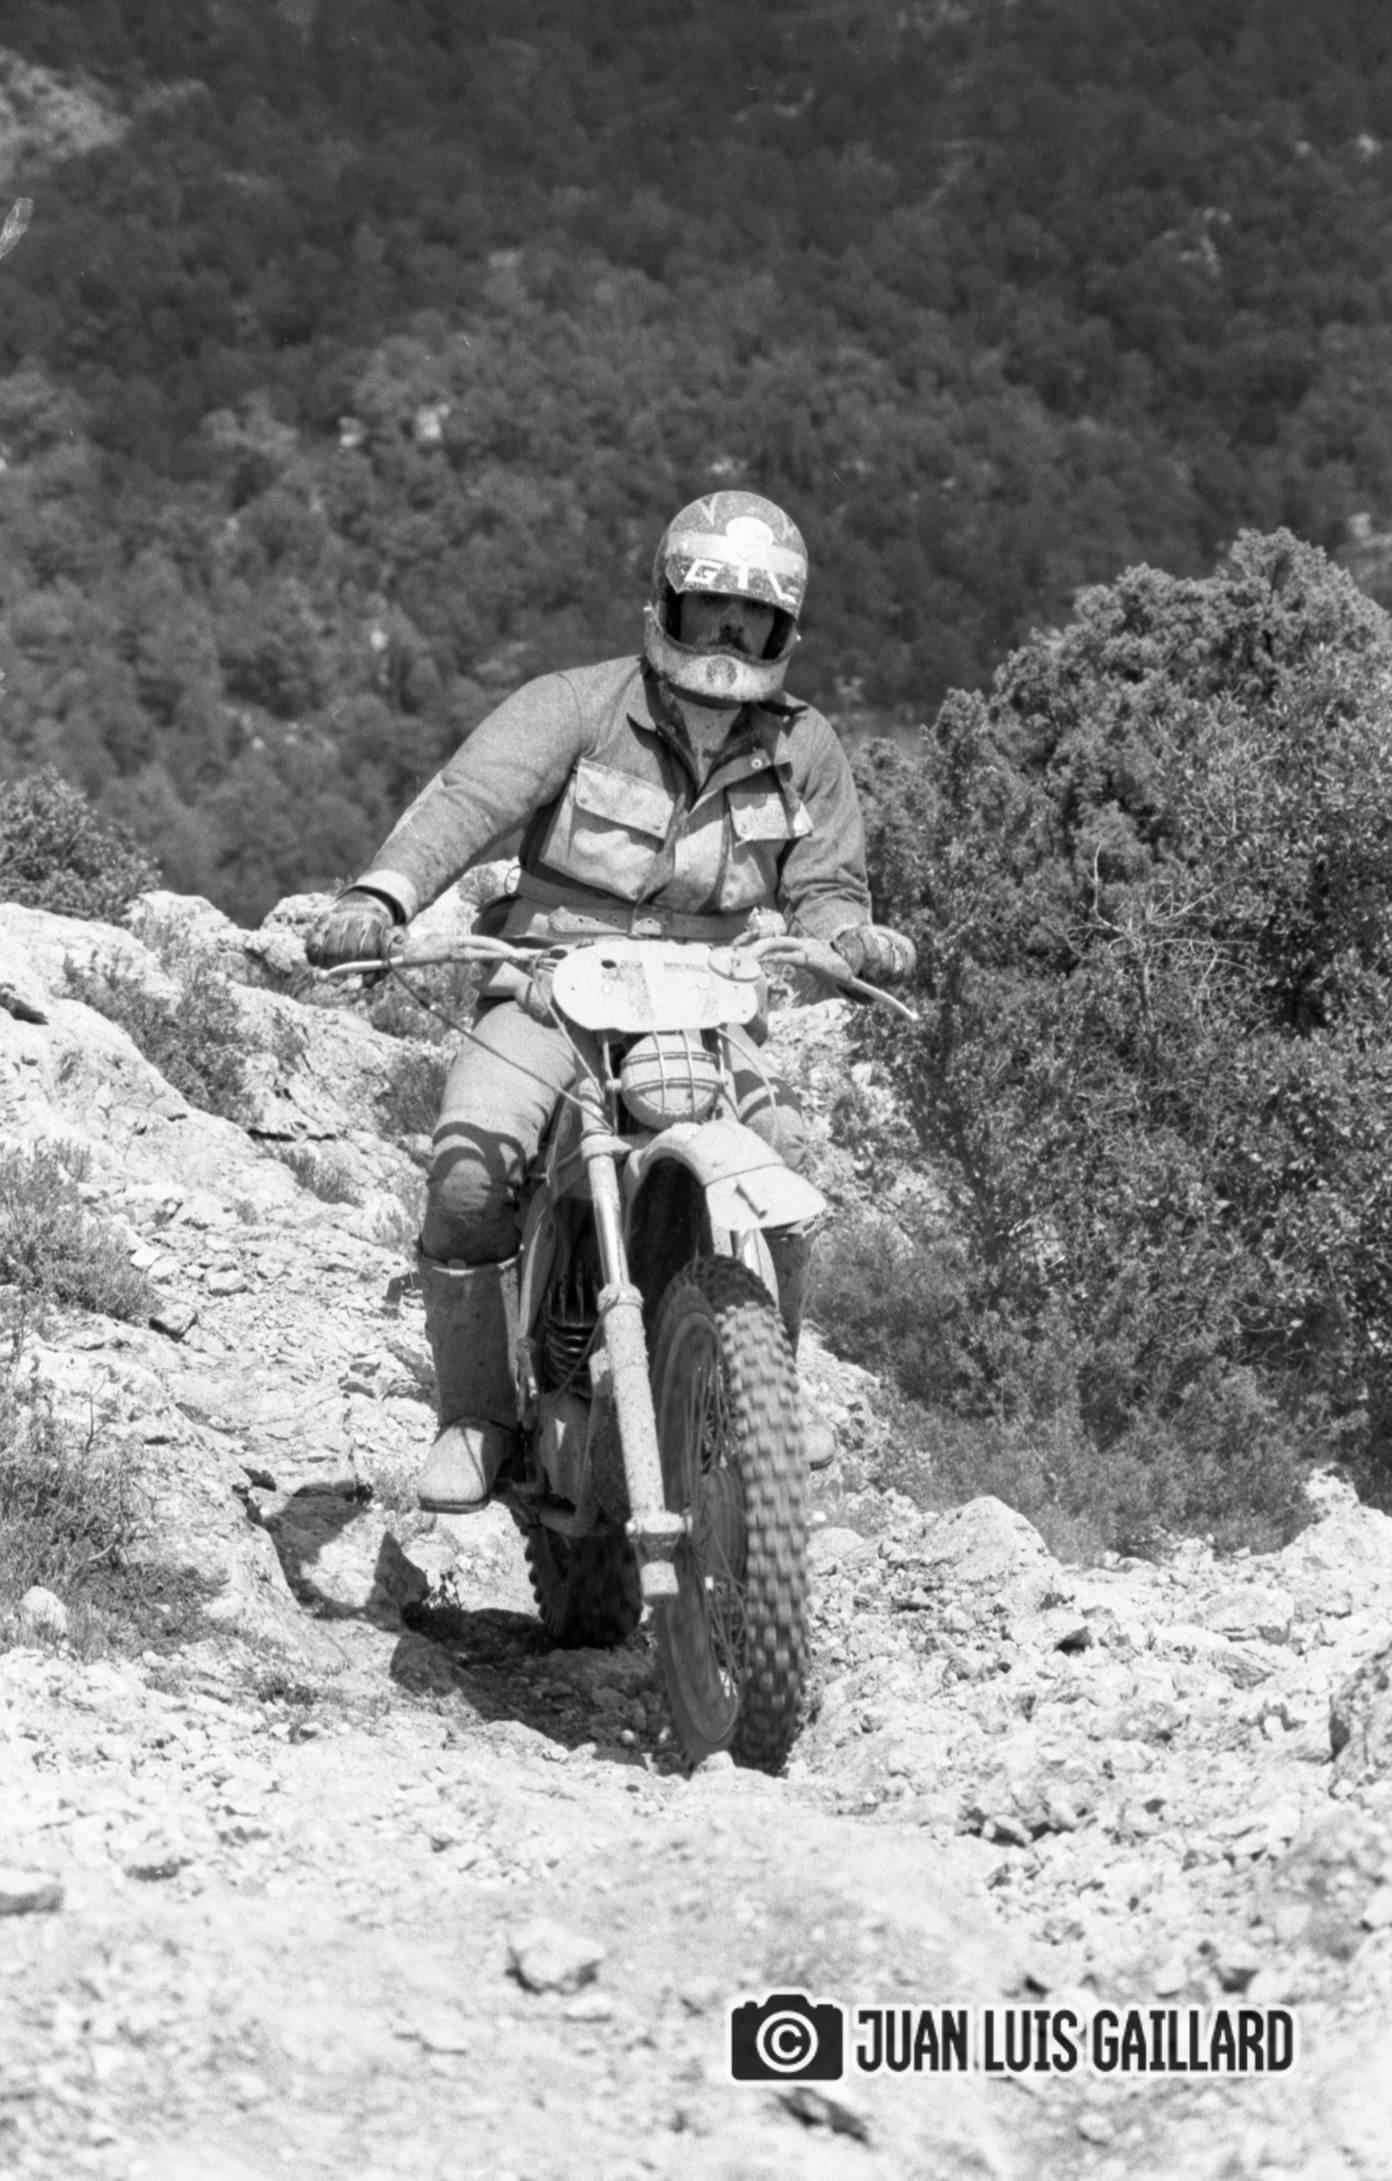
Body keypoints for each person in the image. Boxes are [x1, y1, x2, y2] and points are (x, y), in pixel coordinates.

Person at [308, 490, 915, 1512]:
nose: (730, 633)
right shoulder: (577, 706)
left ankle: (767, 1393)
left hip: (710, 1005)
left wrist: (852, 936)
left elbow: (828, 886)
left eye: (754, 615)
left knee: (784, 1168)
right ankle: (476, 1415)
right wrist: (381, 897)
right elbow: (466, 801)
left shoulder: (805, 746)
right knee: (468, 1170)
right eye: (712, 606)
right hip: (555, 987)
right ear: (668, 604)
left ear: (785, 630)